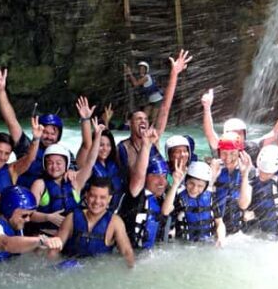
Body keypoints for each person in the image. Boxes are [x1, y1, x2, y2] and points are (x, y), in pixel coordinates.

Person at [117, 50, 192, 181]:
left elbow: (165, 109)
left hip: (158, 187)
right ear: (130, 123)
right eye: (139, 119)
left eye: (145, 119)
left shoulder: (154, 138)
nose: (143, 121)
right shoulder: (123, 147)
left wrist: (174, 74)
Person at [0, 67, 68, 188]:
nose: (49, 137)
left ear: (59, 136)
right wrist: (1, 91)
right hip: (23, 195)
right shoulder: (26, 146)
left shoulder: (64, 155)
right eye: (45, 132)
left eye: (53, 133)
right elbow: (11, 121)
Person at [29, 119, 102, 235]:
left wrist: (97, 136)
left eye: (59, 163)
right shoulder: (39, 184)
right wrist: (48, 217)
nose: (54, 167)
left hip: (72, 236)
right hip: (47, 236)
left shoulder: (75, 181)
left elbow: (90, 162)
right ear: (44, 165)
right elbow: (29, 214)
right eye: (50, 163)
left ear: (66, 164)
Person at [52, 176, 135, 266]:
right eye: (93, 196)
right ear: (86, 195)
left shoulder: (115, 222)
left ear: (109, 199)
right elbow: (54, 249)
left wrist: (131, 268)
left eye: (102, 197)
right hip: (70, 268)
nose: (97, 201)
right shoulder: (71, 218)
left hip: (100, 270)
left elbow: (127, 251)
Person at [200, 89, 278, 154]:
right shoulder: (220, 147)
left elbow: (276, 133)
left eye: (240, 133)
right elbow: (209, 133)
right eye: (233, 133)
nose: (237, 136)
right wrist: (207, 108)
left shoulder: (252, 147)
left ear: (245, 135)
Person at [118, 127, 169, 250]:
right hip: (129, 254)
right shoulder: (136, 195)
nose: (162, 181)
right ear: (146, 177)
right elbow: (139, 176)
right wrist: (146, 145)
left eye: (164, 176)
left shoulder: (164, 198)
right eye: (156, 176)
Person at [75, 96, 126, 209]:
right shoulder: (87, 164)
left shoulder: (113, 163)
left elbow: (105, 135)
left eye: (108, 145)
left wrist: (106, 121)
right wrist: (85, 120)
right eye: (101, 145)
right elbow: (86, 144)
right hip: (91, 211)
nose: (105, 149)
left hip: (113, 211)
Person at [242, 144, 278, 237]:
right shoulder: (252, 180)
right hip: (264, 234)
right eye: (261, 171)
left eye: (267, 173)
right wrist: (249, 214)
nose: (263, 174)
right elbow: (245, 205)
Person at [162, 160, 225, 244]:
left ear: (205, 187)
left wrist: (221, 238)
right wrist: (175, 184)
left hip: (208, 243)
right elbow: (165, 211)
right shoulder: (179, 198)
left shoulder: (211, 198)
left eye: (200, 186)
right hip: (184, 244)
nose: (194, 189)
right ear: (186, 181)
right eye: (191, 183)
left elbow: (219, 222)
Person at [212, 132, 253, 235]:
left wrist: (244, 175)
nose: (228, 158)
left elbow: (243, 205)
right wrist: (212, 178)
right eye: (224, 153)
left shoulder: (248, 171)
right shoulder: (214, 168)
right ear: (219, 153)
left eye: (232, 153)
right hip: (216, 228)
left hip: (239, 231)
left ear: (239, 153)